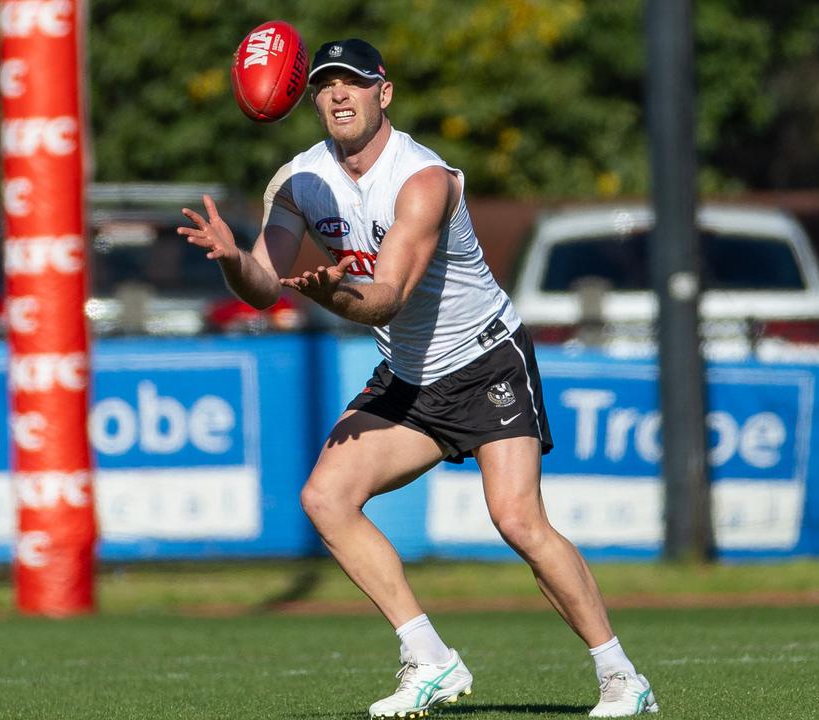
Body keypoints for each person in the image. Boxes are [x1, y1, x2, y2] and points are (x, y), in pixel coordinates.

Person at [178, 38, 658, 719]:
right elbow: (261, 285)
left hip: (485, 359)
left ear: (386, 93)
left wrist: (330, 296)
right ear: (308, 98)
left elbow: (387, 296)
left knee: (517, 519)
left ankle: (620, 677)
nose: (339, 94)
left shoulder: (424, 180)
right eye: (325, 85)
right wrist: (232, 259)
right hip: (409, 376)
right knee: (326, 498)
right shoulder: (298, 181)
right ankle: (429, 657)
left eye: (354, 82)